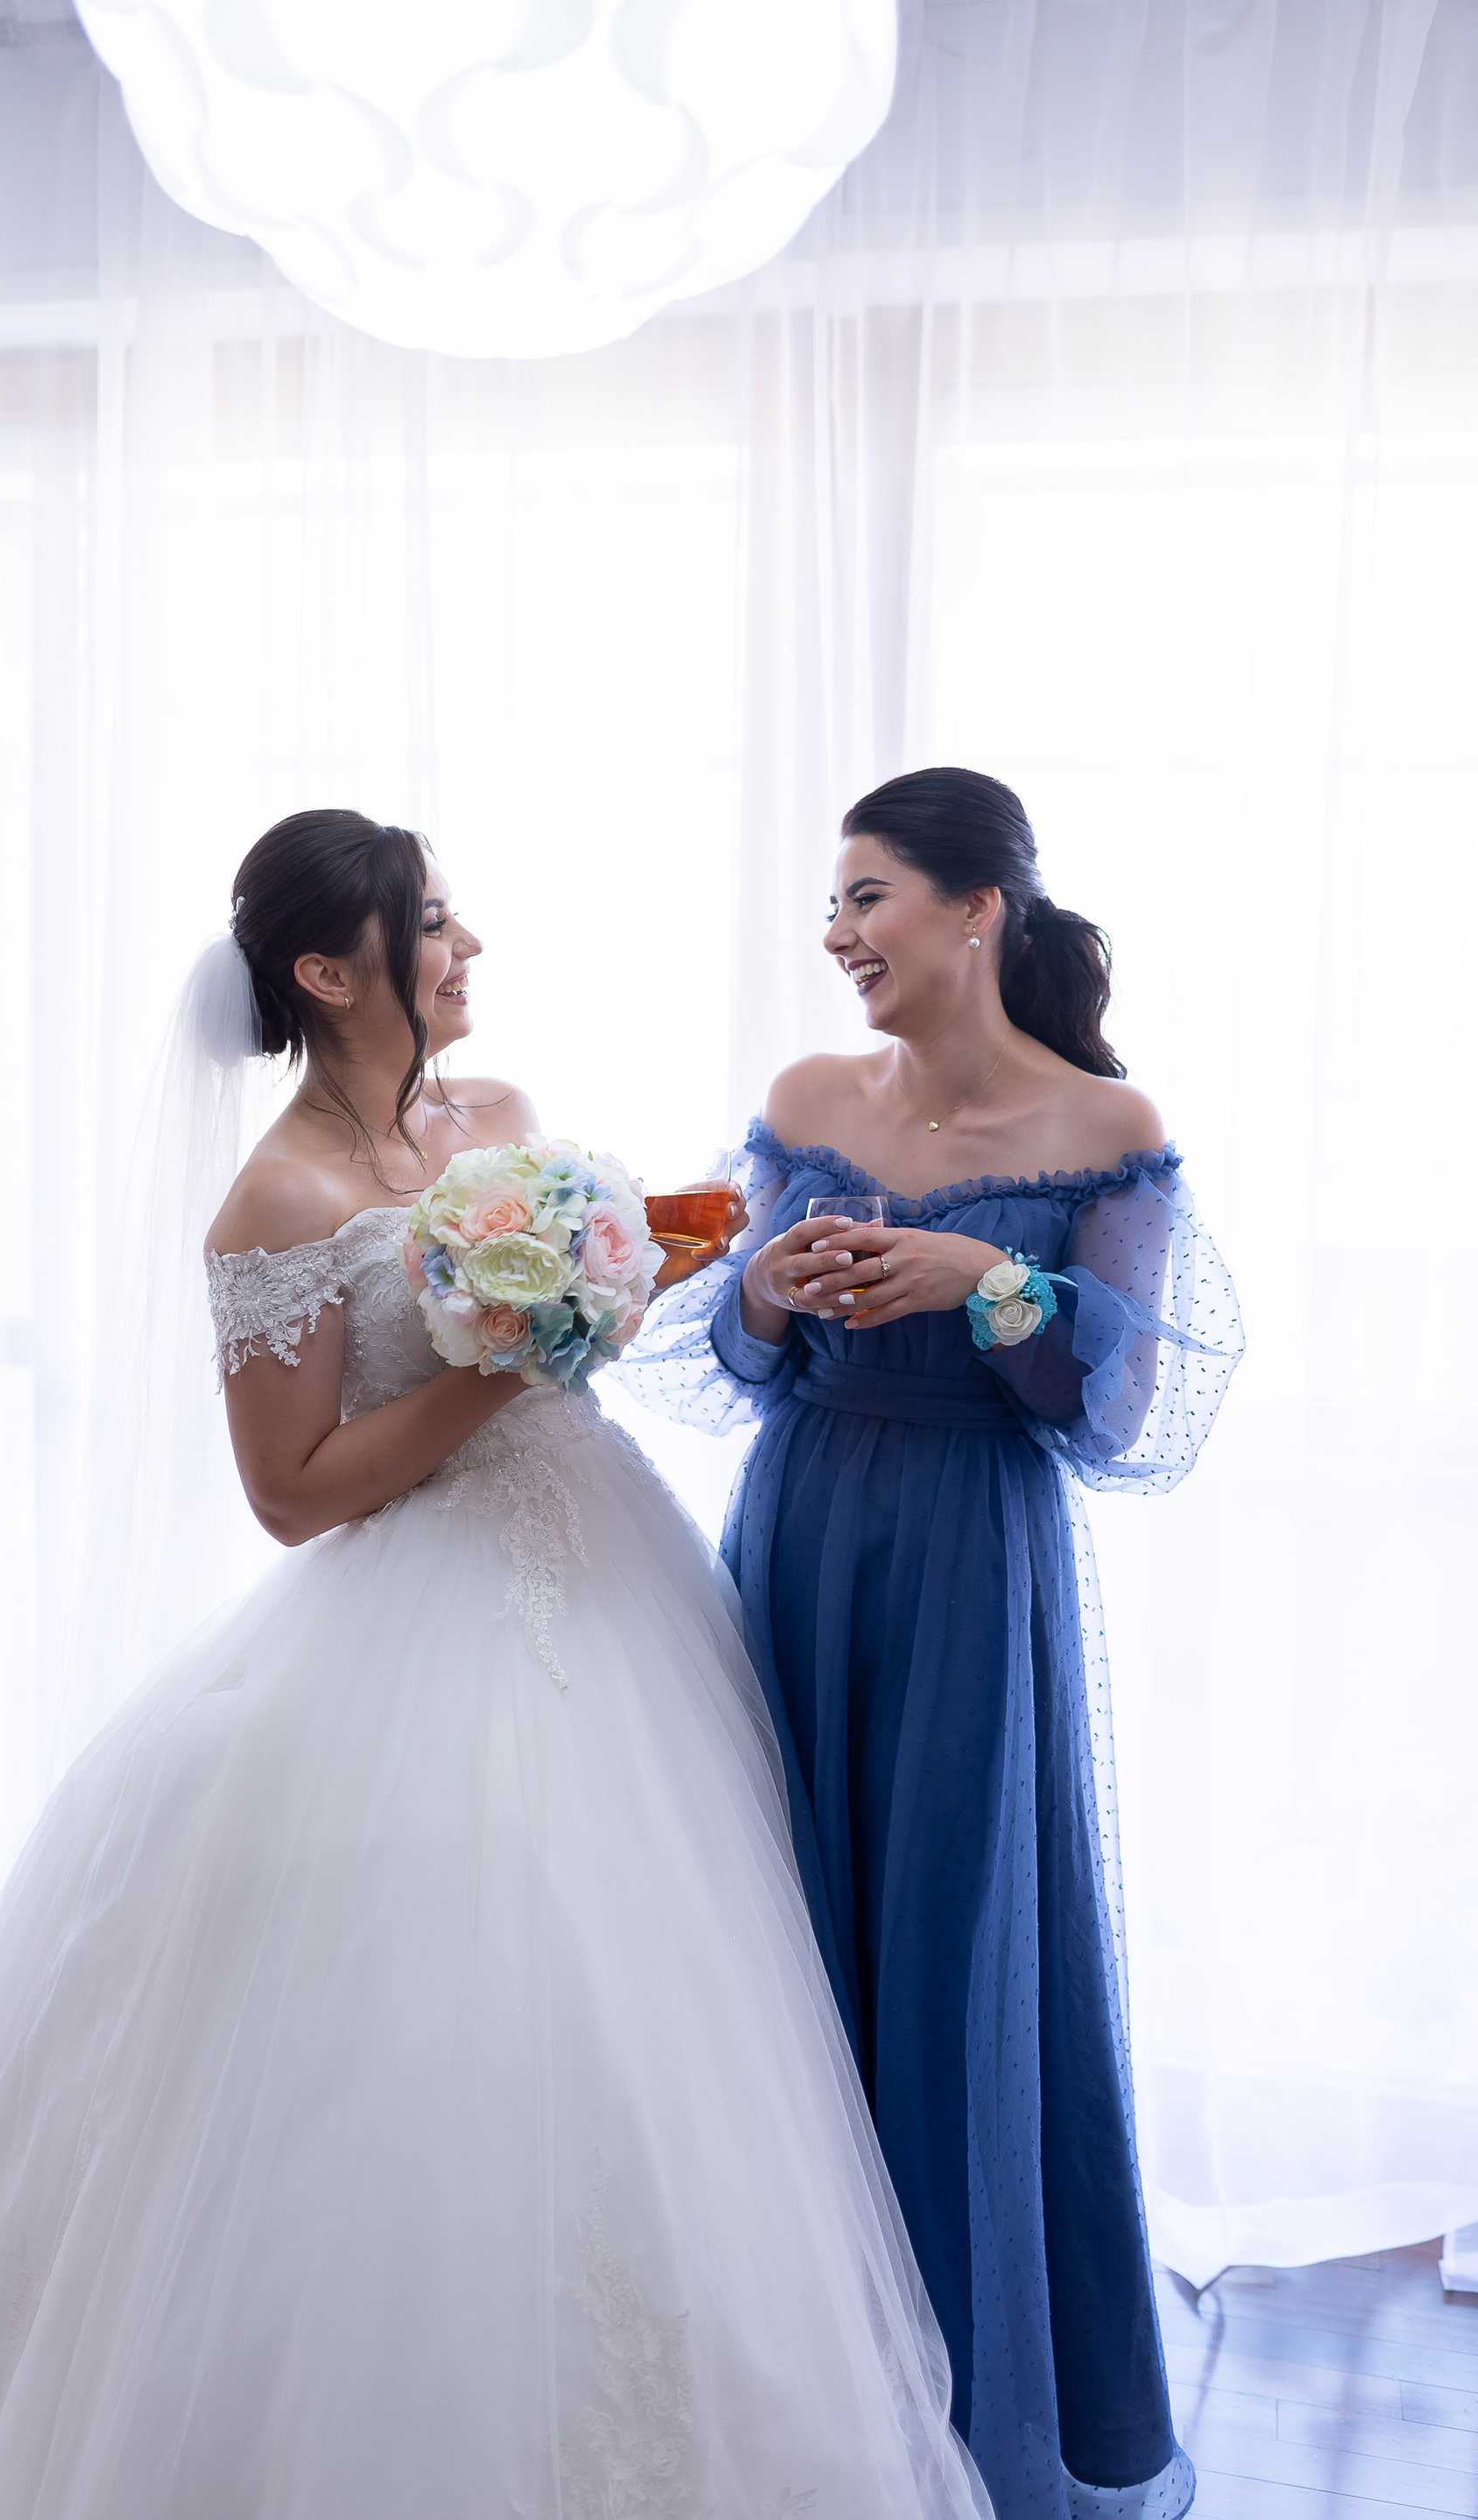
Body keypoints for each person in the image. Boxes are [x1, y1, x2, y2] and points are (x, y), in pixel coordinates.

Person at [0, 808, 990, 2520]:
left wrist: (661, 1271)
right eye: (431, 922)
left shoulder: (496, 1119)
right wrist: (510, 1363)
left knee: (664, 2012)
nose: (467, 945)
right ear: (326, 968)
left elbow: (584, 1319)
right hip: (418, 1605)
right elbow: (294, 1495)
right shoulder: (272, 1203)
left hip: (611, 1583)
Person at [623, 768, 1243, 2520]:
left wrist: (988, 1285)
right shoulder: (807, 1100)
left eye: (867, 895)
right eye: (832, 902)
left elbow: (1122, 1410)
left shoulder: (1106, 1124)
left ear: (980, 909)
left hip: (978, 1564)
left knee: (961, 1947)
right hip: (801, 1540)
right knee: (772, 1936)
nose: (837, 933)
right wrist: (768, 1288)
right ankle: (776, 2392)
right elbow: (733, 1354)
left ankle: (963, 2406)